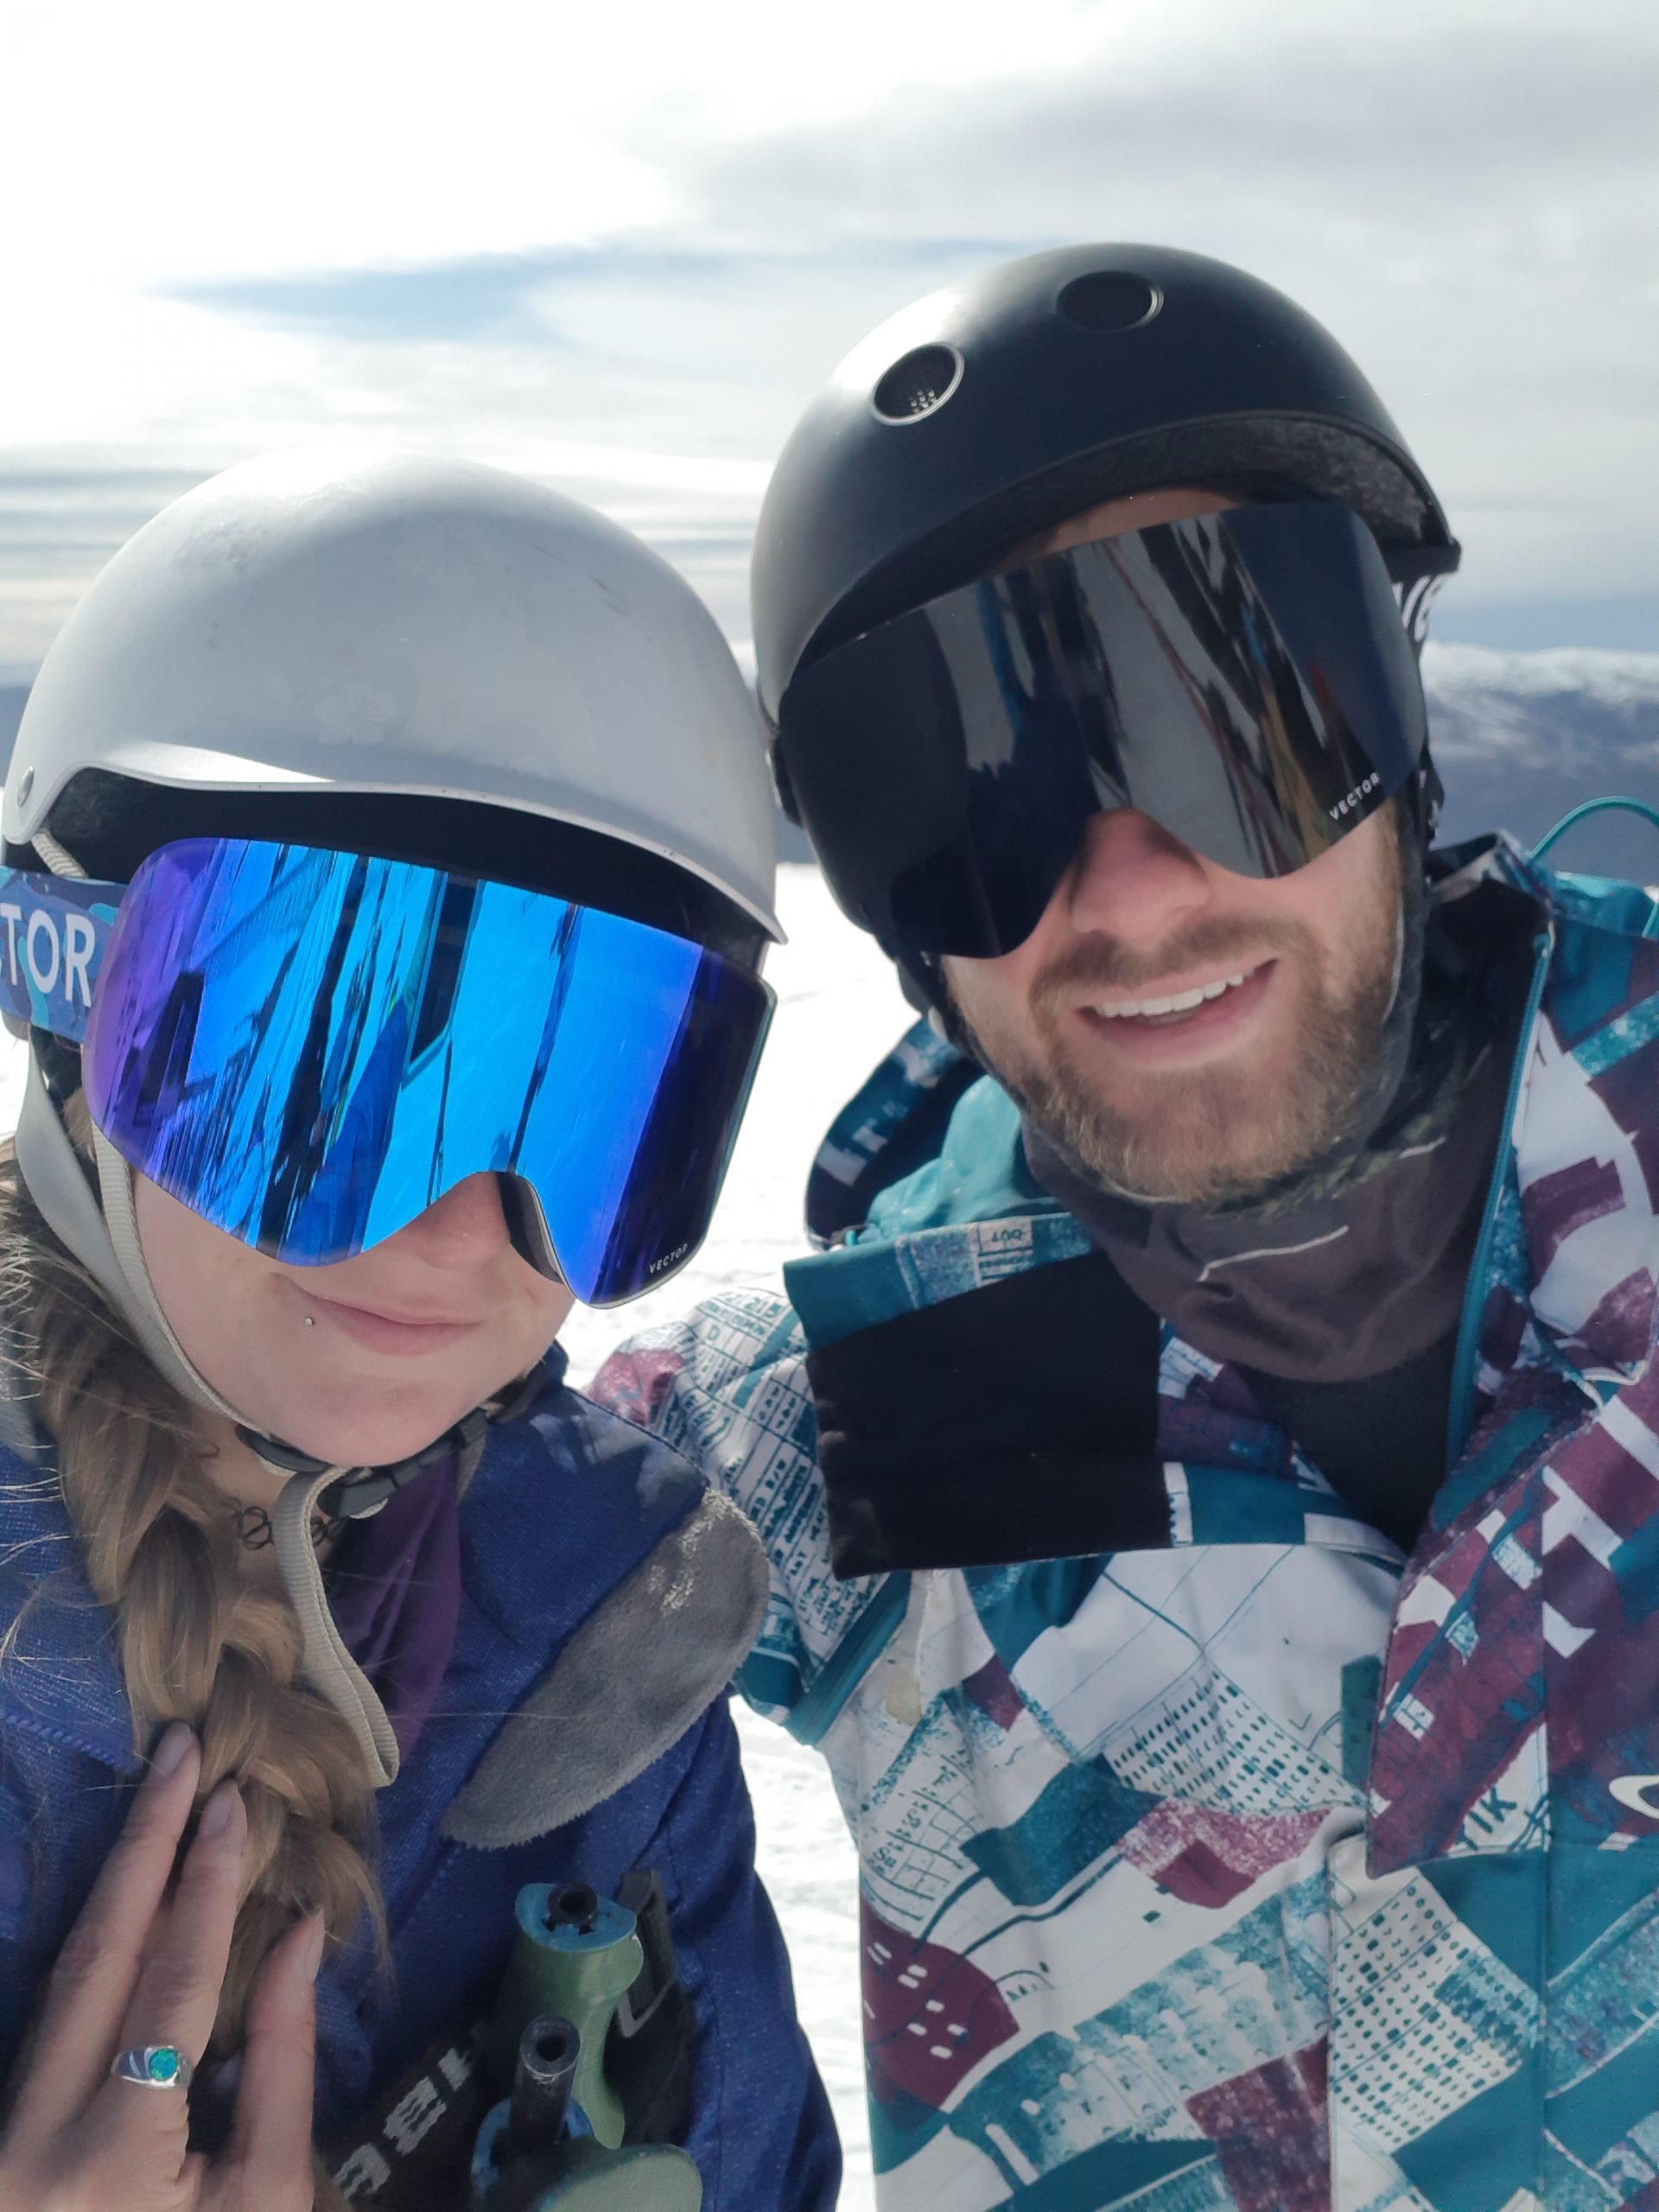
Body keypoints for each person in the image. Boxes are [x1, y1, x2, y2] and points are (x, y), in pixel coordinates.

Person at [592, 245, 1659, 2209]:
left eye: (1237, 714)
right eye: (965, 792)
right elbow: (307, 1556)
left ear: (1398, 720)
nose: (1134, 894)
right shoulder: (828, 1421)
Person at [0, 449, 838, 2209]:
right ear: (74, 993)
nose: (464, 1232)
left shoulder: (604, 1635)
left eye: (589, 1112)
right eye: (329, 1078)